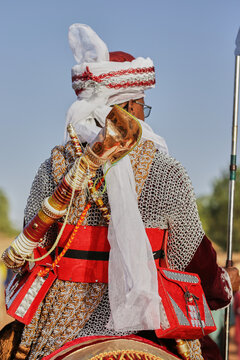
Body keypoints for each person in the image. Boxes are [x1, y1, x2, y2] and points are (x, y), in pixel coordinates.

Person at [0, 23, 240, 360]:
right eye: (142, 106)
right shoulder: (165, 171)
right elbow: (193, 259)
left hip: (60, 325)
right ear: (125, 109)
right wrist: (224, 285)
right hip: (145, 324)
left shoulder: (54, 166)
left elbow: (28, 256)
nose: (145, 114)